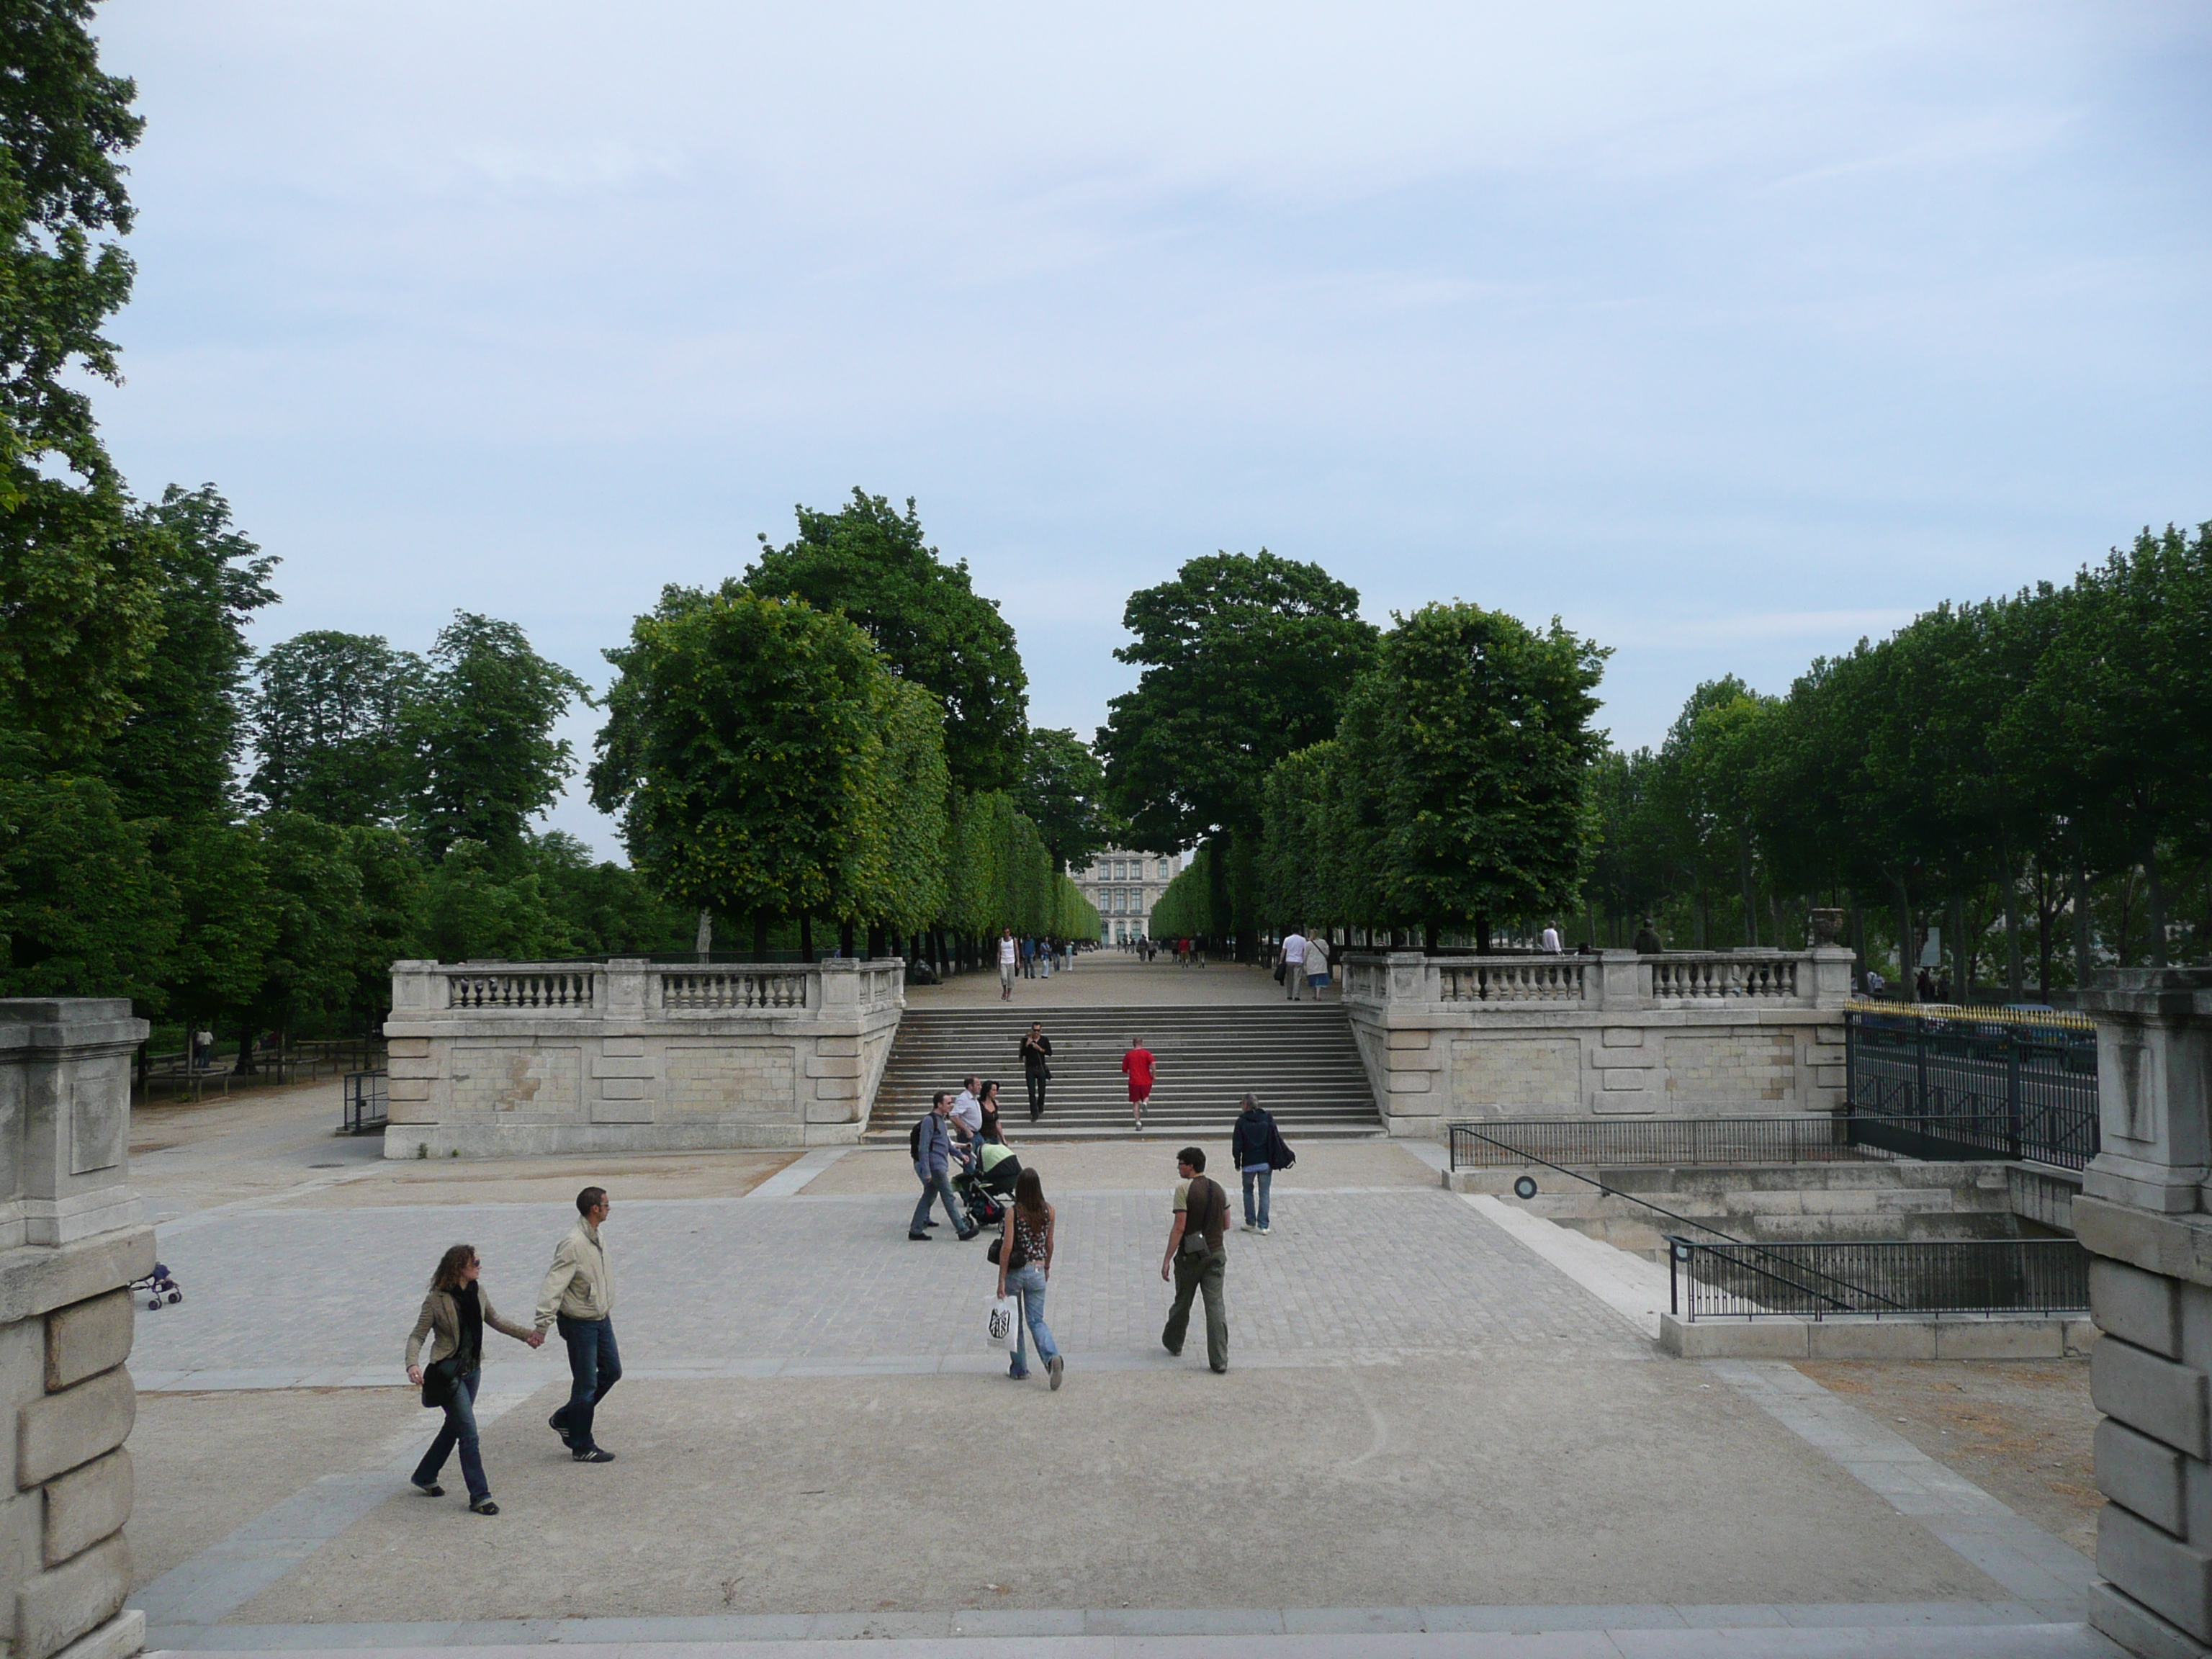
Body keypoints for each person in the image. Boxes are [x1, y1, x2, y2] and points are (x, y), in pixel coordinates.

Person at [406, 1242, 545, 1514]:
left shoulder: (478, 1291)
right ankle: (480, 1496)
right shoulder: (437, 1299)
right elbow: (417, 1335)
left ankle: (424, 1475)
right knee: (469, 1433)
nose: (481, 1267)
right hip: (449, 1374)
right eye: (476, 1263)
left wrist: (525, 1335)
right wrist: (412, 1363)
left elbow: (494, 1319)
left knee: (454, 1426)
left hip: (473, 1371)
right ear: (460, 1267)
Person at [536, 1187, 621, 1464]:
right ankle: (582, 1445)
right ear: (594, 1208)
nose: (610, 1208)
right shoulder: (573, 1243)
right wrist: (542, 1324)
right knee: (586, 1384)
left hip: (600, 1318)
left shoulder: (596, 1236)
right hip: (579, 1323)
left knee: (612, 1371)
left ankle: (565, 1417)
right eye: (606, 1204)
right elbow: (553, 1284)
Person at [1161, 1146, 1231, 1373]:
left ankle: (1174, 1341)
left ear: (1190, 1166)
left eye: (1181, 1163)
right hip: (1216, 1253)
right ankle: (1219, 1358)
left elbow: (1179, 1226)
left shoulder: (1184, 1189)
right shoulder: (1219, 1189)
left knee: (1183, 1302)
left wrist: (1167, 1258)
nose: (1179, 1168)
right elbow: (1227, 1223)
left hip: (1190, 1256)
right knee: (1215, 1306)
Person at [997, 1167, 1065, 1388]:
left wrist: (1001, 1279)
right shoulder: (1049, 1211)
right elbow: (1050, 1244)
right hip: (1037, 1270)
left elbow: (1007, 1248)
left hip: (1017, 1271)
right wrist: (1046, 1266)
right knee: (1036, 1321)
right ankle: (1051, 1356)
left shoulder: (1013, 1212)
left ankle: (1019, 1369)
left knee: (1014, 1322)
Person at [910, 1092, 978, 1241]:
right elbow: (924, 1147)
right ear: (939, 1105)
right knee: (948, 1197)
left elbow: (946, 1144)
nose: (951, 1105)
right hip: (936, 1167)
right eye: (948, 1103)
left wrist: (960, 1155)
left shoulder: (941, 1121)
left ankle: (915, 1230)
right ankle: (962, 1230)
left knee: (928, 1197)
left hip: (940, 1164)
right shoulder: (929, 1120)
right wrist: (926, 1171)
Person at [1019, 1022, 1053, 1123]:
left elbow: (1049, 1052)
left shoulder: (1044, 1040)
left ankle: (1040, 1105)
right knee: (1031, 1092)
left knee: (1042, 1091)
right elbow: (1022, 1054)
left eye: (1038, 1030)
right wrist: (1027, 1044)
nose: (1036, 1032)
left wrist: (1040, 1049)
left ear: (1041, 1031)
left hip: (1041, 1067)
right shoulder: (1026, 1039)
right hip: (1030, 1068)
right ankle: (1034, 1113)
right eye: (1035, 1030)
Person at [1123, 1035, 1155, 1131]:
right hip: (1146, 1080)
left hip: (1134, 1081)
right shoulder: (1147, 1053)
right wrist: (1154, 1074)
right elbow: (1153, 1064)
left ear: (1134, 1044)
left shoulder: (1129, 1055)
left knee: (1135, 1102)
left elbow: (1124, 1069)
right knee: (1146, 1096)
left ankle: (1138, 1122)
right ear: (1142, 1043)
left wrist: (1131, 1072)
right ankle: (1145, 1103)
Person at [950, 1075, 984, 1146]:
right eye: (978, 1085)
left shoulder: (974, 1098)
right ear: (970, 1086)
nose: (980, 1087)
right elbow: (953, 1116)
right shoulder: (963, 1099)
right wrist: (966, 1130)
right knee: (972, 1157)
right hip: (968, 1136)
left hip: (977, 1133)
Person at [1280, 927, 1308, 1000]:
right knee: (1297, 979)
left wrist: (1281, 960)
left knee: (1289, 978)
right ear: (1299, 931)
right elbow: (1305, 951)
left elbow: (1283, 951)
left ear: (1292, 931)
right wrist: (1305, 961)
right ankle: (1297, 996)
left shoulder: (1287, 939)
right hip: (1299, 960)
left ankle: (1289, 995)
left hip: (1289, 960)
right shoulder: (1303, 940)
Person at [977, 1079, 1007, 1144]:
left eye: (996, 1090)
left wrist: (1003, 1138)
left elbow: (997, 1122)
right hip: (983, 1136)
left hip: (994, 1137)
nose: (995, 1092)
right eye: (993, 1090)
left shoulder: (995, 1104)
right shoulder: (978, 1104)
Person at [1304, 932, 1331, 999]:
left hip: (1311, 961)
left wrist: (1304, 963)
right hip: (1321, 961)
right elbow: (1327, 951)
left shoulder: (1308, 944)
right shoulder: (1323, 942)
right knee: (1319, 978)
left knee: (1313, 977)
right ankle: (1318, 994)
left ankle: (1314, 994)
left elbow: (1305, 954)